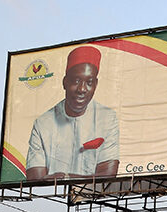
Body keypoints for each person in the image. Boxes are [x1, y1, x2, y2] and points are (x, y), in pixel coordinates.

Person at [25, 45, 119, 181]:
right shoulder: (43, 123)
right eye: (76, 81)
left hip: (91, 197)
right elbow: (35, 178)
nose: (82, 89)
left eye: (89, 82)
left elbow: (108, 175)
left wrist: (65, 177)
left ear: (95, 85)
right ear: (65, 82)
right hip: (55, 199)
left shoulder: (107, 118)